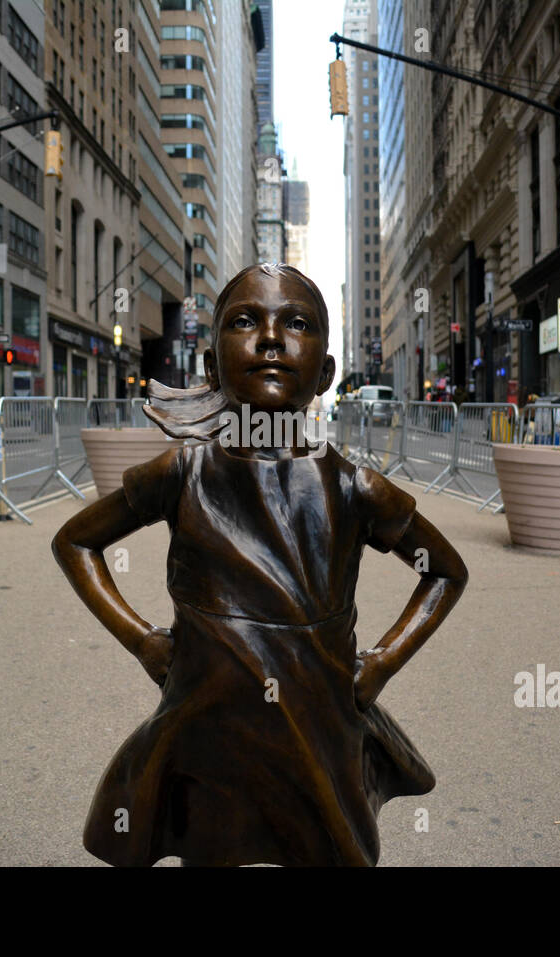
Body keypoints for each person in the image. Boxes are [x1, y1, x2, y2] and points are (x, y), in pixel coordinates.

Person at [53, 263, 468, 867]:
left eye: (296, 323)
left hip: (318, 729)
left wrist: (381, 662)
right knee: (211, 846)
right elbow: (76, 543)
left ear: (325, 371)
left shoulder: (357, 489)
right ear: (210, 366)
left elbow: (445, 572)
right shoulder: (183, 473)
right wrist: (142, 640)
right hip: (205, 728)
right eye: (245, 321)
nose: (271, 338)